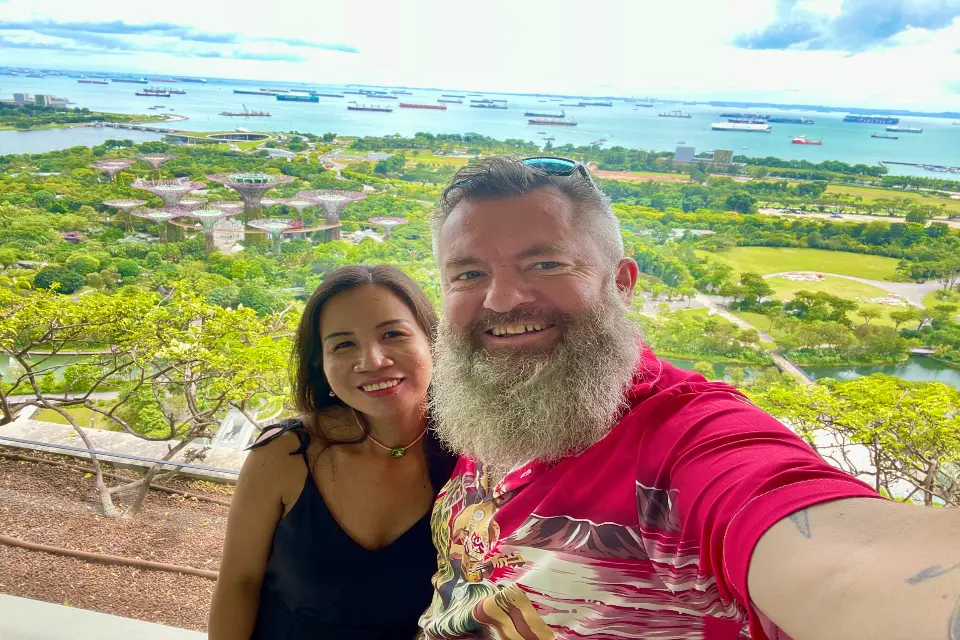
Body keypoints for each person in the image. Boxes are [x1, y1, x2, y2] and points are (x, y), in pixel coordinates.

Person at [420, 156, 960, 640]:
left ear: (622, 284)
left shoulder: (684, 438)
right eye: (469, 274)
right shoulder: (492, 401)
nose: (502, 298)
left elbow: (846, 560)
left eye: (546, 265)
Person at [210, 265, 455, 640]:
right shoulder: (283, 454)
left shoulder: (476, 456)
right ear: (320, 365)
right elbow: (239, 583)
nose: (373, 361)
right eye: (343, 344)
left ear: (433, 341)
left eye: (393, 334)